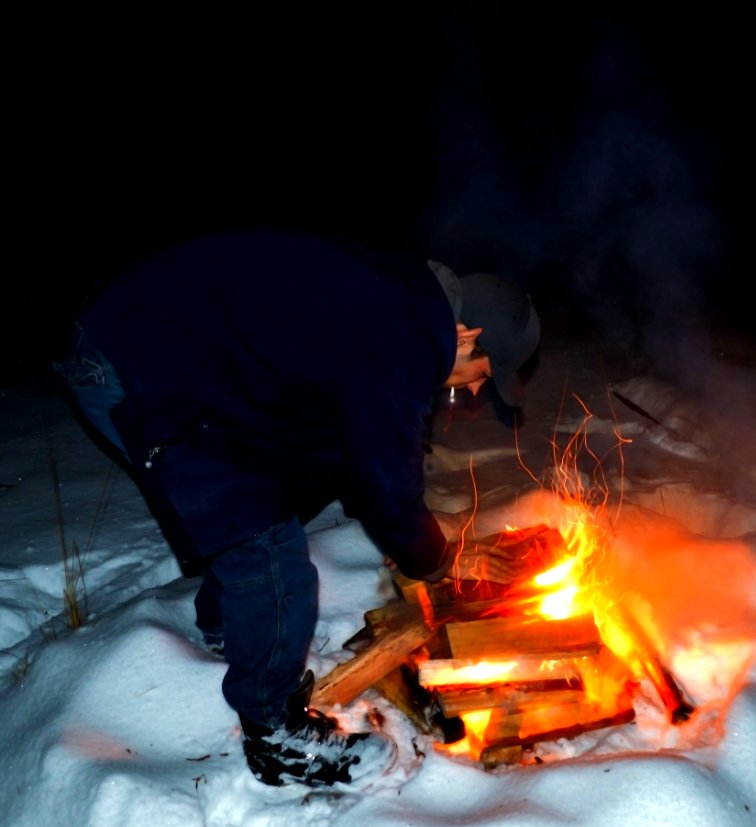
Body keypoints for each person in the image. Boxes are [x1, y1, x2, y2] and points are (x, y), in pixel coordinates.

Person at [54, 229, 541, 788]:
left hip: (155, 344)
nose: (478, 392)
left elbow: (350, 445)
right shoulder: (399, 332)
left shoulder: (403, 298)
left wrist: (390, 511)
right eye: (486, 376)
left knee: (262, 496)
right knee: (269, 552)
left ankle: (231, 629)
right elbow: (386, 477)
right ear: (470, 335)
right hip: (142, 362)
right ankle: (276, 736)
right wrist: (435, 559)